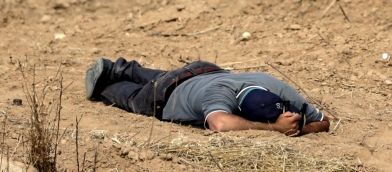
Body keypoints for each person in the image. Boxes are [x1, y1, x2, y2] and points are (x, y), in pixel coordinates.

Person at [84, 57, 330, 136]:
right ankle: (104, 85)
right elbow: (220, 123)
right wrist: (275, 128)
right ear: (238, 108)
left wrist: (300, 128)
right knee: (132, 97)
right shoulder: (220, 96)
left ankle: (120, 67)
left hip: (201, 70)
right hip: (165, 95)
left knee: (157, 74)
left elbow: (324, 121)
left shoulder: (273, 85)